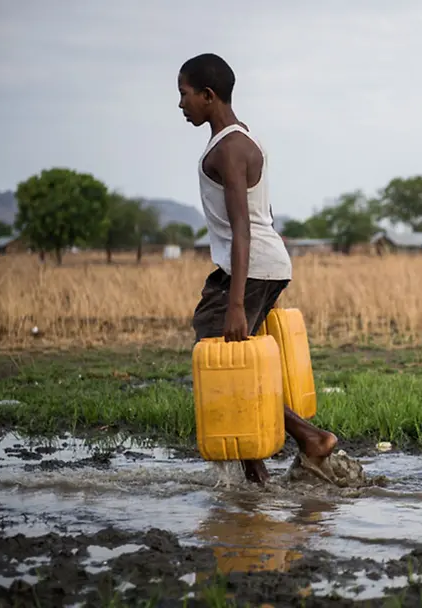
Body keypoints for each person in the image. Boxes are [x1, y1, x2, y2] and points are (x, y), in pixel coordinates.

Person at [177, 52, 338, 484]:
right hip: (264, 264)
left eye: (185, 94)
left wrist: (234, 303)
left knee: (222, 351)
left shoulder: (229, 148)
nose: (181, 105)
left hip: (249, 267)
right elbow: (263, 211)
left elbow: (242, 227)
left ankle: (309, 439)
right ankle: (255, 472)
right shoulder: (247, 139)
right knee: (233, 359)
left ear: (208, 95)